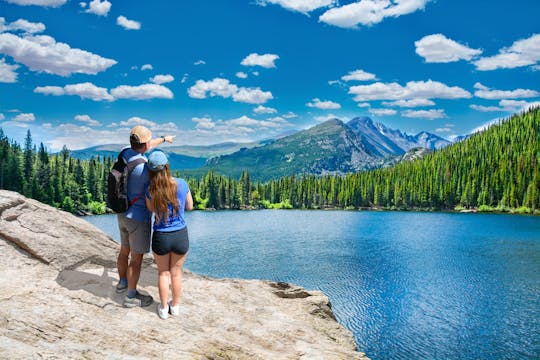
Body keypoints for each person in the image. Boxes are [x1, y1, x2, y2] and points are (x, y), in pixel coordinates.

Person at [116, 126, 175, 308]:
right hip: (139, 218)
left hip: (122, 213)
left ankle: (122, 283)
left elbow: (146, 146)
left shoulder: (126, 154)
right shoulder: (145, 169)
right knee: (136, 259)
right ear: (146, 143)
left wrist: (164, 139)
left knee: (124, 250)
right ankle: (131, 297)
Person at [144, 151, 193, 319]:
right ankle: (176, 306)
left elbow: (151, 210)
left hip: (161, 237)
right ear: (166, 166)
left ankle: (164, 308)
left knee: (163, 273)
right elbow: (190, 206)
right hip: (180, 235)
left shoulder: (150, 189)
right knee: (176, 273)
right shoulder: (181, 183)